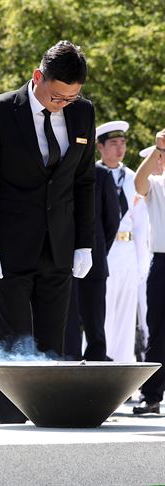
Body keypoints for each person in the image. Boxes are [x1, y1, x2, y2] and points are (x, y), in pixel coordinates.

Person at [0, 41, 96, 424]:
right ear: (38, 77)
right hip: (8, 248)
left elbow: (84, 181)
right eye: (58, 96)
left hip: (60, 246)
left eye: (71, 98)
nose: (63, 103)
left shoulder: (82, 112)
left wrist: (83, 244)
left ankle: (50, 423)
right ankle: (12, 426)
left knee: (51, 342)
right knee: (12, 344)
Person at [95, 121, 150, 362]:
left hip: (126, 251)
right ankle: (98, 365)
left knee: (126, 316)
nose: (120, 149)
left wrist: (142, 264)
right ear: (100, 147)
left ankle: (122, 367)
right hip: (102, 252)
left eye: (123, 143)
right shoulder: (92, 176)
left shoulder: (132, 178)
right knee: (100, 314)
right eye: (114, 143)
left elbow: (140, 225)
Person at [64, 162, 120, 360]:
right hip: (63, 263)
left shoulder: (101, 175)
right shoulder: (60, 169)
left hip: (94, 264)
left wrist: (97, 250)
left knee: (95, 326)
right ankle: (70, 373)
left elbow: (112, 220)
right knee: (68, 326)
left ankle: (98, 373)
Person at [133, 128, 165, 415]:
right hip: (162, 262)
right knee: (157, 331)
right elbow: (138, 183)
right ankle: (151, 395)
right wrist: (158, 147)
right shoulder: (157, 182)